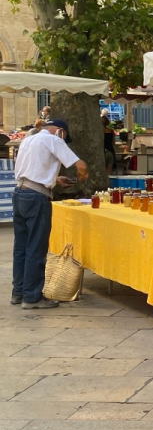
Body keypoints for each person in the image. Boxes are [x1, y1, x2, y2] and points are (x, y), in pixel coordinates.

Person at [12, 119, 88, 309]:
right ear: (60, 131)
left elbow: (32, 169)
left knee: (21, 247)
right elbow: (81, 165)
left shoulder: (28, 139)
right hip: (36, 197)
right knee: (36, 247)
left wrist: (54, 179)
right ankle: (32, 297)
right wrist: (83, 177)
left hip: (20, 193)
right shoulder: (54, 139)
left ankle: (18, 292)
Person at [101, 109, 116, 173]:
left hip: (102, 150)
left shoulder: (99, 132)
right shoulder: (111, 130)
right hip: (110, 149)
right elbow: (113, 142)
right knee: (110, 168)